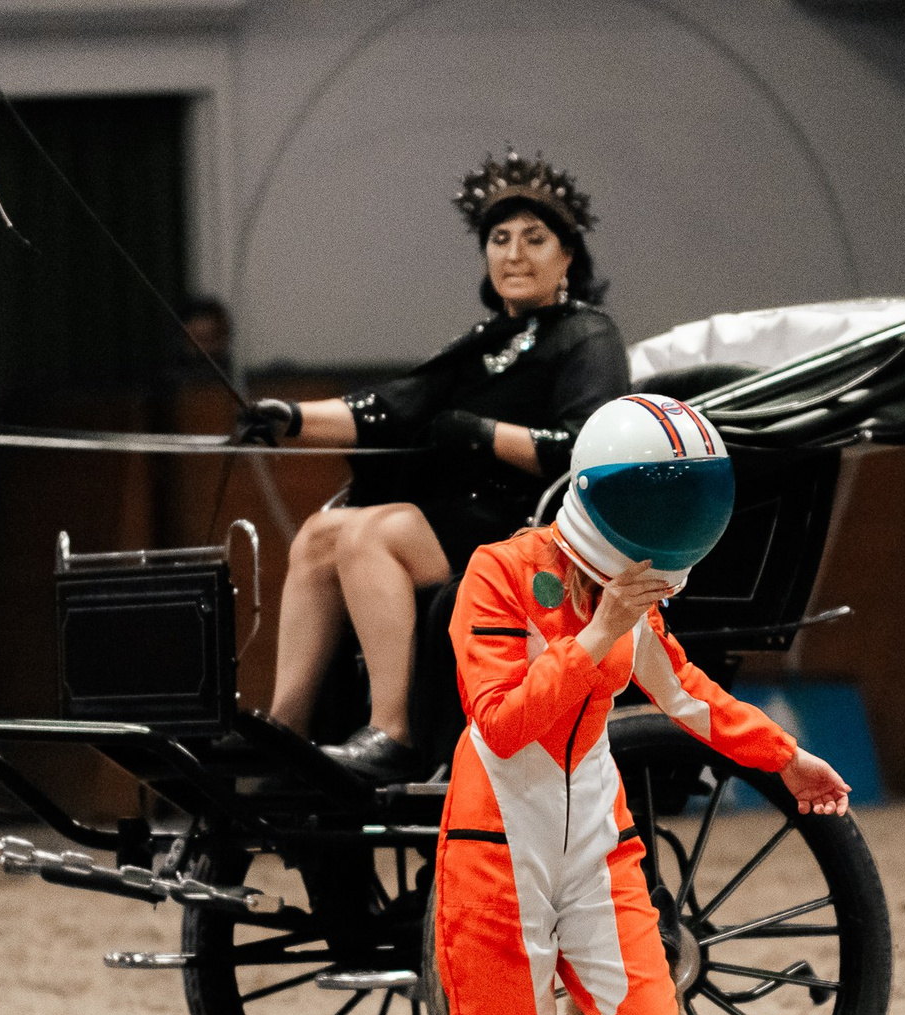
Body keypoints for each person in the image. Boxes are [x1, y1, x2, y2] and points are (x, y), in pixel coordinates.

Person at [432, 393, 853, 1015]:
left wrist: (784, 756)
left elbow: (685, 693)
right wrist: (595, 635)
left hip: (597, 854)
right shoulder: (502, 575)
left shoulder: (637, 598)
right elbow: (500, 723)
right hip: (494, 859)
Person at [236, 150, 628, 784]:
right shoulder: (476, 345)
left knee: (370, 534)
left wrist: (483, 434)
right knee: (319, 534)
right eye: (499, 239)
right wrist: (290, 417)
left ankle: (392, 733)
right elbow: (389, 408)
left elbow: (587, 448)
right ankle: (286, 730)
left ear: (568, 258)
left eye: (535, 238)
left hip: (533, 529)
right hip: (455, 521)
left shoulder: (589, 335)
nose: (515, 254)